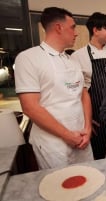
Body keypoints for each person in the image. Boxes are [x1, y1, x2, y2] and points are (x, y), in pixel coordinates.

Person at [14, 7, 93, 169]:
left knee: (89, 181)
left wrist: (88, 128)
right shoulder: (28, 58)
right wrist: (68, 136)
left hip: (82, 139)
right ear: (58, 27)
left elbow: (83, 95)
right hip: (53, 144)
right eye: (73, 27)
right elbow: (30, 107)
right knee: (59, 190)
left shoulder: (72, 60)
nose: (76, 32)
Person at [71, 12, 106, 159]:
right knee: (99, 158)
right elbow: (77, 92)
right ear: (95, 30)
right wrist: (86, 119)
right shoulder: (78, 56)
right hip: (96, 121)